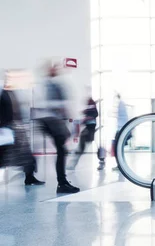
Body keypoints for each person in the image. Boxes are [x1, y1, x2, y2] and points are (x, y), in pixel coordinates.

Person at [37, 64, 79, 193]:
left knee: (62, 151)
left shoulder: (49, 84)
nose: (56, 69)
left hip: (52, 121)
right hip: (52, 121)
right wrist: (63, 107)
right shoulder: (49, 85)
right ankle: (62, 183)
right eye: (53, 68)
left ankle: (62, 182)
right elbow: (50, 104)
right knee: (62, 151)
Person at [0, 72, 44, 186]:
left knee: (26, 155)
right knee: (5, 155)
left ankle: (29, 177)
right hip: (8, 128)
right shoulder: (3, 94)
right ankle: (29, 176)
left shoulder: (13, 93)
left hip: (17, 127)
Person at [68, 92, 98, 170]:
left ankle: (73, 164)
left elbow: (92, 116)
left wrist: (83, 119)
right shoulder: (90, 109)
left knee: (80, 149)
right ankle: (73, 164)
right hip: (89, 131)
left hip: (89, 131)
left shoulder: (91, 109)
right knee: (81, 149)